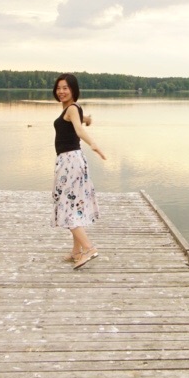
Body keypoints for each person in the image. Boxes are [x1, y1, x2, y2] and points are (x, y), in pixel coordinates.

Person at [51, 73, 106, 268]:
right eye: (59, 88)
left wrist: (94, 144)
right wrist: (88, 118)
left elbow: (79, 130)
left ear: (73, 89)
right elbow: (81, 121)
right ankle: (76, 252)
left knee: (65, 207)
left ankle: (89, 249)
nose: (61, 91)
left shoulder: (72, 108)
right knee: (73, 205)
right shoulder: (72, 109)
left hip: (70, 161)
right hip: (71, 161)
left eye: (65, 88)